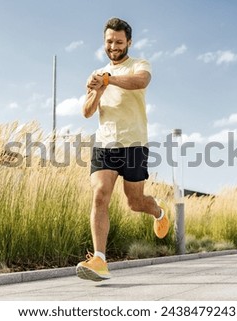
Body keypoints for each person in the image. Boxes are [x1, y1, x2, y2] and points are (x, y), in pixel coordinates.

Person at [76, 17, 170, 282]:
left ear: (129, 42)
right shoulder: (96, 73)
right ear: (104, 42)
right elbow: (86, 112)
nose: (113, 46)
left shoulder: (139, 65)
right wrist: (97, 90)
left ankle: (158, 211)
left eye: (118, 41)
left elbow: (140, 82)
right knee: (100, 194)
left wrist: (109, 80)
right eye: (109, 41)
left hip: (134, 144)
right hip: (105, 143)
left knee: (134, 202)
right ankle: (100, 260)